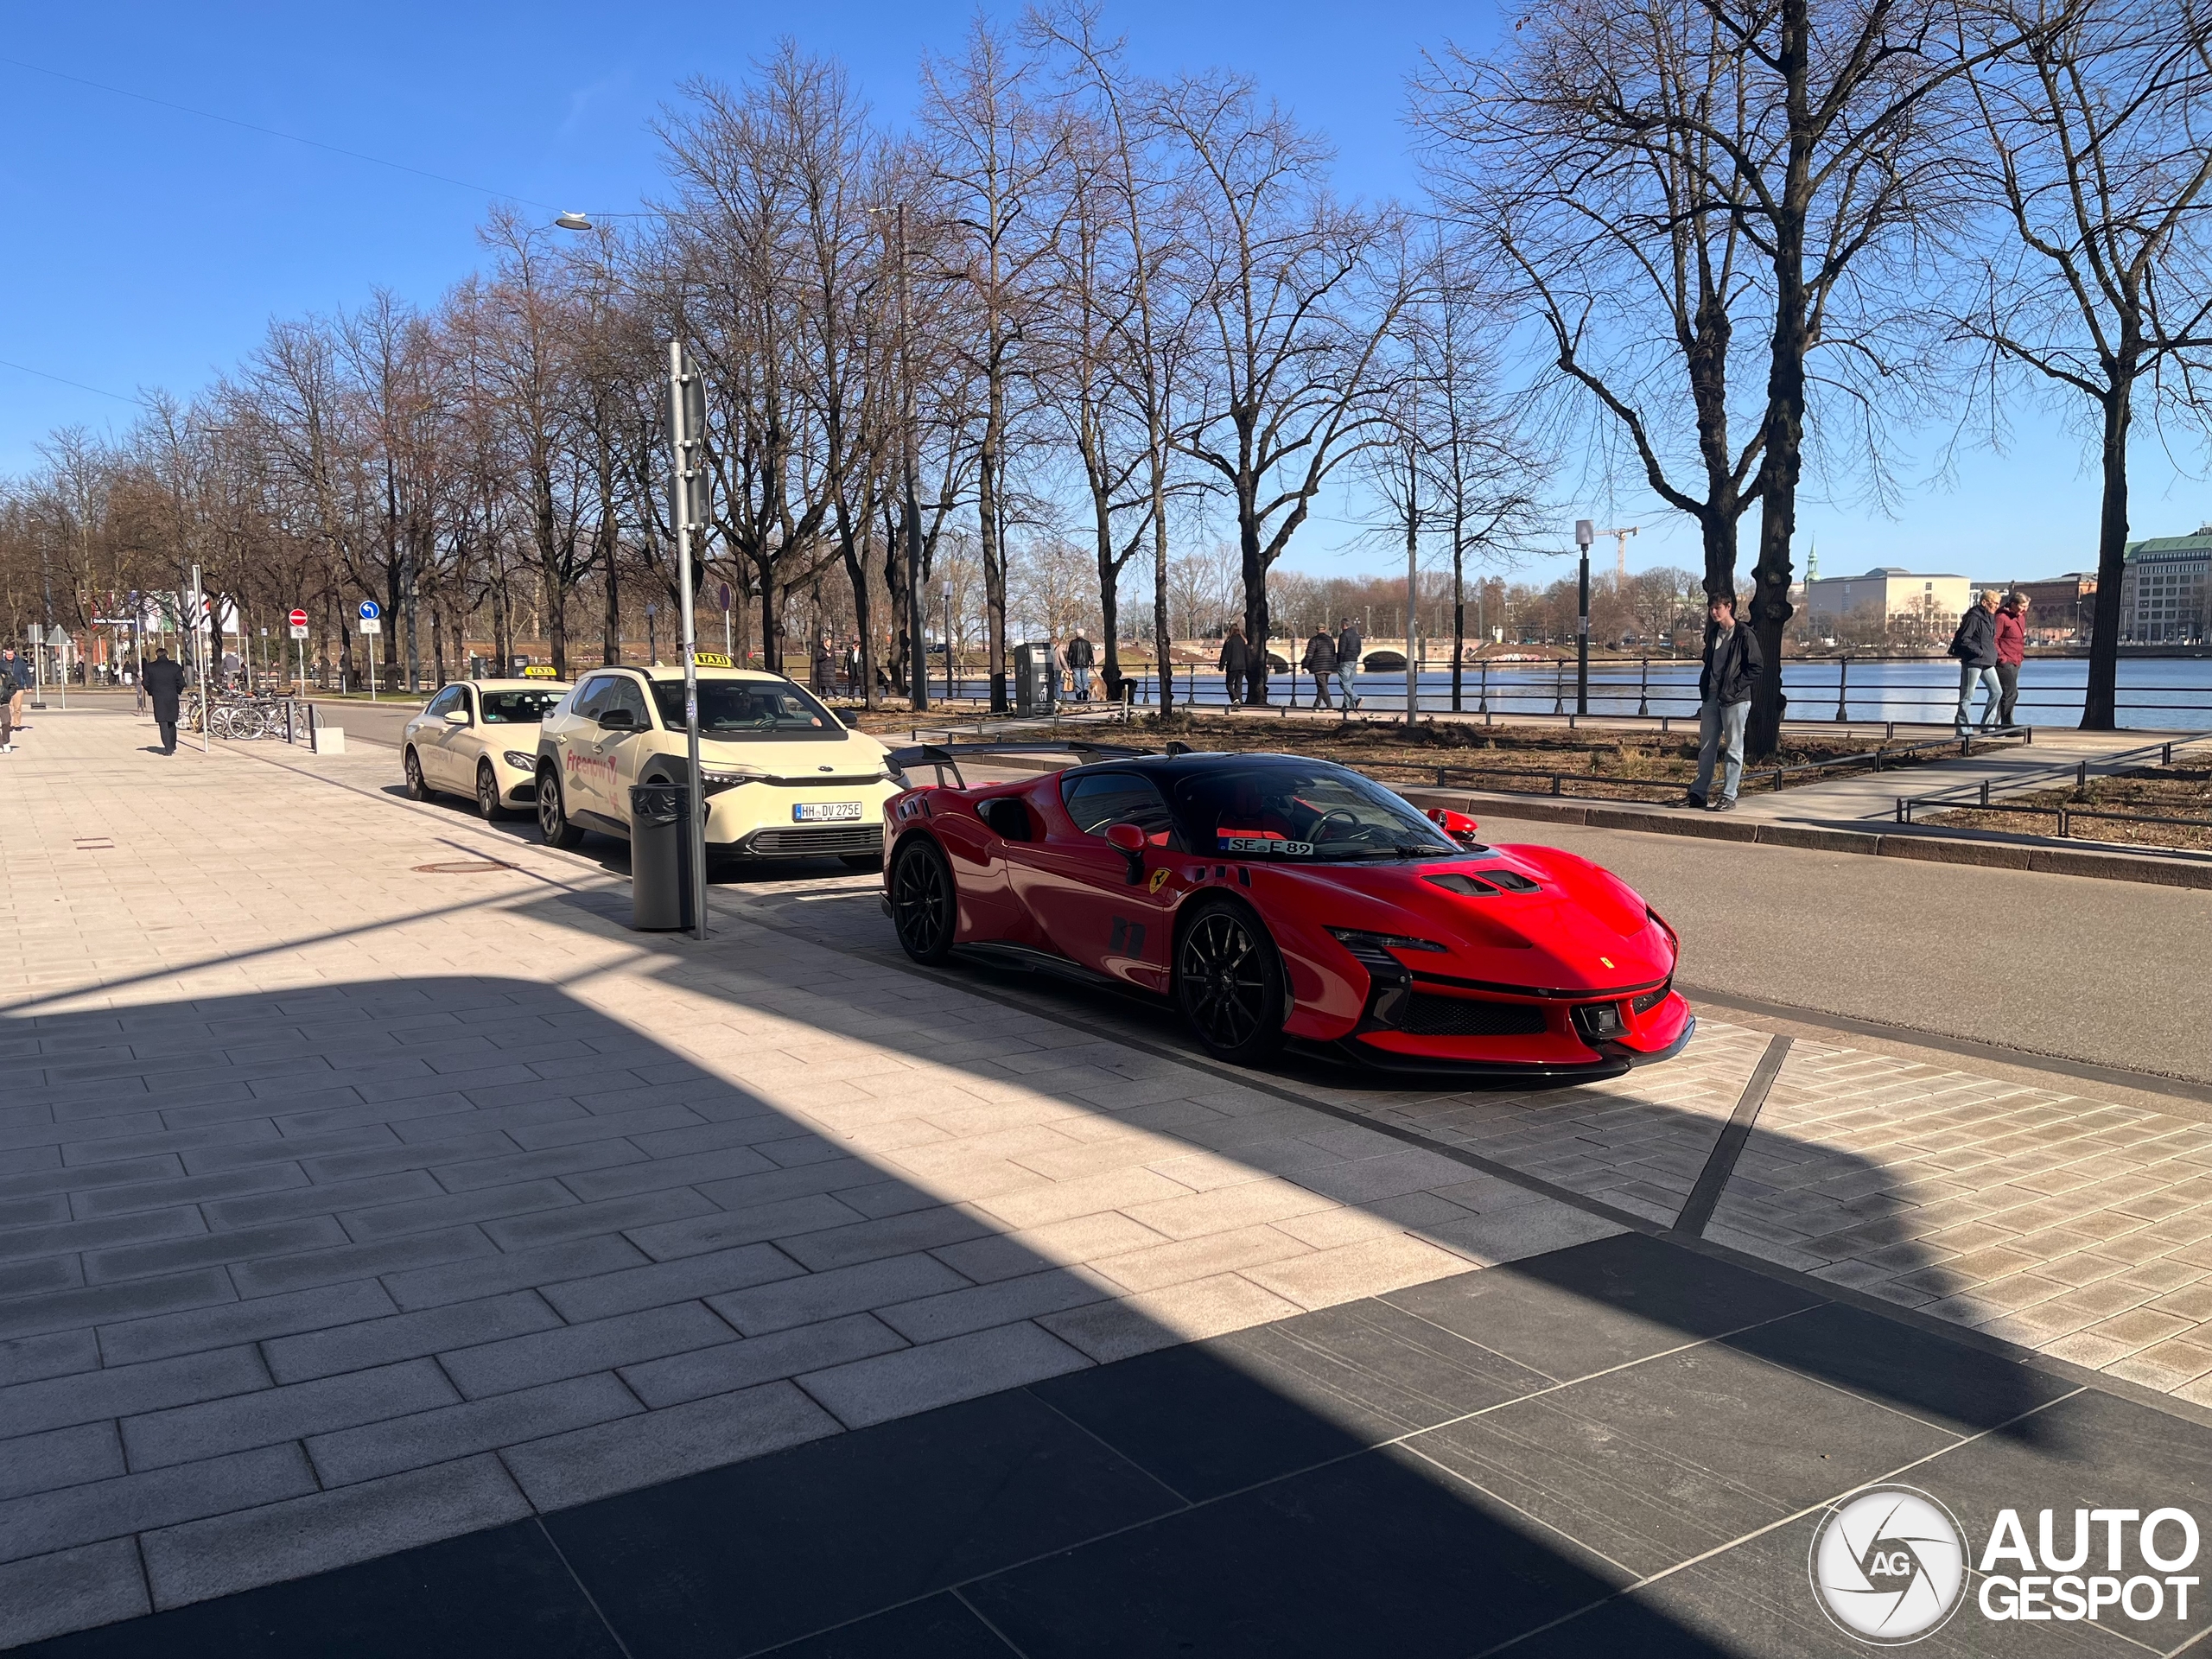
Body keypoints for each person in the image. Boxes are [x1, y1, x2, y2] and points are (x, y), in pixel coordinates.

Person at [1688, 593, 1762, 811]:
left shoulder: (1744, 634)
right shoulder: (1713, 634)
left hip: (1735, 700)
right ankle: (1699, 793)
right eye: (1711, 608)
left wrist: (1734, 688)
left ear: (1729, 607)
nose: (1713, 612)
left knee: (1734, 748)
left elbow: (1756, 666)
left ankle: (1729, 795)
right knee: (1707, 747)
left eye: (1717, 608)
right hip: (1711, 697)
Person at [1949, 588, 2003, 734]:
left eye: (1998, 603)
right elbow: (1964, 639)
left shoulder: (1990, 618)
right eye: (1994, 603)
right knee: (1967, 696)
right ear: (1984, 602)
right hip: (1973, 661)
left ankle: (1987, 725)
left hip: (1987, 661)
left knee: (1997, 692)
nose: (1996, 607)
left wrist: (1991, 654)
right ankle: (1963, 728)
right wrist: (1978, 651)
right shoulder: (1974, 617)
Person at [143, 646, 187, 753]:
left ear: (156, 655)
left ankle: (167, 748)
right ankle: (172, 745)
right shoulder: (175, 667)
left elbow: (145, 683)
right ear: (167, 655)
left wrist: (151, 691)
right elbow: (181, 682)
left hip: (158, 697)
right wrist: (177, 691)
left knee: (163, 722)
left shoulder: (150, 667)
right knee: (172, 721)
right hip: (172, 696)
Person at [1994, 591, 2028, 727]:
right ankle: (2007, 725)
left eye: (2027, 606)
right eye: (2022, 606)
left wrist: (2020, 657)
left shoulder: (2021, 618)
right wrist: (2002, 657)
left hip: (2016, 660)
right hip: (2005, 662)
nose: (2025, 609)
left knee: (2007, 694)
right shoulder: (2001, 617)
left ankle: (1995, 724)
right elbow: (1994, 639)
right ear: (2013, 604)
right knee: (2011, 692)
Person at [0, 646, 28, 753]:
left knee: (6, 722)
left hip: (3, 702)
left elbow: (13, 685)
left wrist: (7, 695)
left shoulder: (5, 674)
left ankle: (6, 742)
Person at [1302, 626, 1337, 710]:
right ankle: (1316, 705)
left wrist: (1305, 665)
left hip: (1318, 666)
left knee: (1322, 686)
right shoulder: (1330, 639)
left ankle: (1329, 706)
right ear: (1325, 630)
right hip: (1328, 665)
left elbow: (1309, 654)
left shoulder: (1314, 640)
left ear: (1317, 630)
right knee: (1322, 686)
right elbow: (1333, 653)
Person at [1335, 617, 1364, 711]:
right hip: (1354, 660)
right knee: (1349, 684)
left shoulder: (1344, 635)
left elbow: (1341, 650)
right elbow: (1359, 649)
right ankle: (1346, 706)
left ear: (1344, 625)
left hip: (1345, 660)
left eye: (1341, 625)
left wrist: (1339, 661)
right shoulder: (1356, 635)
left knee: (1344, 684)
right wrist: (1355, 656)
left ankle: (1357, 699)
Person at [1217, 626, 1250, 707]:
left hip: (1233, 666)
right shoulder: (1243, 641)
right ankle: (1238, 702)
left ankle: (1235, 699)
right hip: (1242, 666)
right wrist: (1248, 666)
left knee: (1229, 684)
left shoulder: (1229, 641)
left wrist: (1221, 667)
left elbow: (1224, 654)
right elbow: (1247, 654)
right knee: (1239, 685)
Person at [1066, 629, 1095, 702]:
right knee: (1085, 682)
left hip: (1075, 665)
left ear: (1076, 634)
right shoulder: (1087, 643)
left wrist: (1068, 664)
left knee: (1077, 682)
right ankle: (1085, 697)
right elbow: (1090, 654)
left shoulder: (1073, 643)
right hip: (1085, 665)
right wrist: (1092, 664)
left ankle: (1079, 699)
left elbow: (1070, 654)